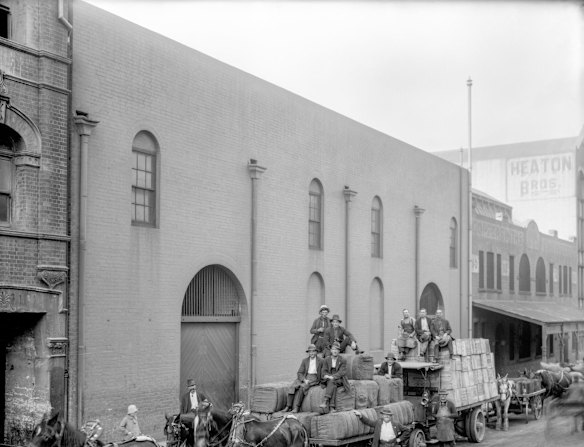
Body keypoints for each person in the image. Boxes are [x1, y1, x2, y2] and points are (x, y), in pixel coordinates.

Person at [283, 344, 325, 412]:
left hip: (314, 377)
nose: (312, 353)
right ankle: (288, 406)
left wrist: (323, 381)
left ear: (316, 352)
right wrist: (304, 379)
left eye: (313, 351)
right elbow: (299, 372)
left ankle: (297, 407)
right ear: (308, 353)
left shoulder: (321, 361)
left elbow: (323, 372)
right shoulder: (305, 360)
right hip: (305, 376)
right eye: (310, 351)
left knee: (303, 387)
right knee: (293, 386)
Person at [319, 342, 350, 413]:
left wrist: (332, 377)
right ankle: (332, 407)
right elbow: (324, 371)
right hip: (329, 379)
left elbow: (342, 372)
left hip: (339, 379)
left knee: (332, 381)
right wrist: (327, 376)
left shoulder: (342, 360)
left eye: (337, 349)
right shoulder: (327, 359)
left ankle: (325, 401)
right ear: (331, 351)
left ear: (339, 351)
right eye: (333, 349)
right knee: (333, 385)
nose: (335, 351)